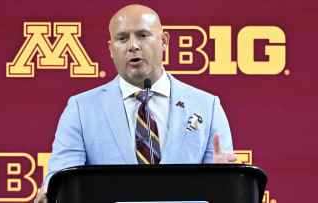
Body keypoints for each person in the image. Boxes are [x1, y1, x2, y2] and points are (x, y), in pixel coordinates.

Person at [35, 4, 237, 203]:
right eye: (122, 38)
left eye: (143, 35)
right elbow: (63, 176)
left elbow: (219, 188)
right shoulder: (81, 109)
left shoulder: (206, 106)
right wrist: (52, 190)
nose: (133, 45)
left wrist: (221, 179)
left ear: (164, 41)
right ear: (111, 48)